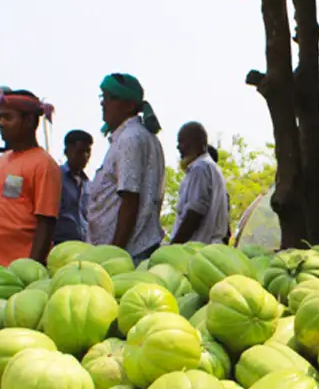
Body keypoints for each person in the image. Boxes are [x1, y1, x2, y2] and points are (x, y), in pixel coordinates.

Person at [0, 91, 60, 269]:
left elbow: (46, 222)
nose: (1, 124)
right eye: (1, 118)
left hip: (14, 272)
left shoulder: (44, 164)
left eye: (8, 118)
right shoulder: (1, 160)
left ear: (29, 121)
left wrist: (30, 270)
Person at [86, 73, 166, 264]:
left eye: (110, 98)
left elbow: (130, 199)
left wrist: (116, 254)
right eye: (102, 97)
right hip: (128, 250)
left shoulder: (131, 138)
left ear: (129, 105)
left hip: (129, 252)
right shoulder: (136, 137)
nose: (103, 104)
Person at [169, 122, 229, 245]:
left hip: (198, 248)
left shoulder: (200, 168)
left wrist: (174, 246)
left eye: (182, 142)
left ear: (197, 142)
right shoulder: (209, 167)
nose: (178, 147)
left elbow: (194, 213)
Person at [54, 130, 93, 244]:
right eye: (80, 152)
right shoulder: (55, 177)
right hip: (59, 244)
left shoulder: (88, 184)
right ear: (67, 151)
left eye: (88, 152)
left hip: (83, 243)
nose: (85, 156)